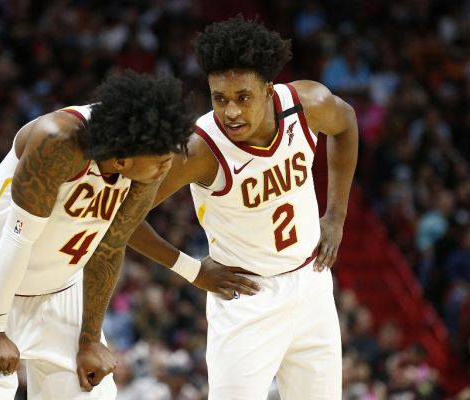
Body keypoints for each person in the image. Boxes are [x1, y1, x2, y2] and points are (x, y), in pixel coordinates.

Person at [128, 16, 359, 399]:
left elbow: (346, 122)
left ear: (269, 90)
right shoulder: (199, 149)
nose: (231, 111)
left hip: (312, 284)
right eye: (220, 98)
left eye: (243, 97)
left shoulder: (308, 105)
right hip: (246, 299)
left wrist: (337, 214)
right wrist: (191, 270)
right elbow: (122, 217)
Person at [0, 72, 202, 399]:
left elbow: (110, 247)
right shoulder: (58, 140)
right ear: (122, 160)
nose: (166, 169)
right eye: (162, 162)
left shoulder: (144, 148)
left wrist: (90, 338)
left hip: (61, 288)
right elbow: (18, 238)